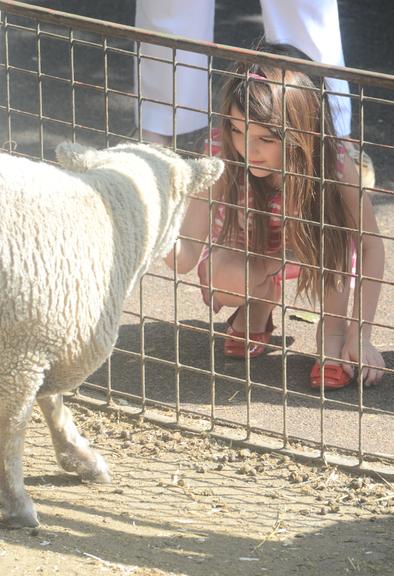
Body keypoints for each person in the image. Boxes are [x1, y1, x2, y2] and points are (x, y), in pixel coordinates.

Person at [164, 43, 385, 390]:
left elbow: (371, 245)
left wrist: (362, 333)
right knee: (229, 276)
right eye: (237, 131)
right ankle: (258, 306)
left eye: (265, 138)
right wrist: (154, 232)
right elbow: (186, 252)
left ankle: (334, 334)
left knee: (336, 241)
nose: (247, 149)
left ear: (303, 130)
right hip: (248, 249)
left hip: (316, 254)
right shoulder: (221, 151)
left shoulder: (335, 162)